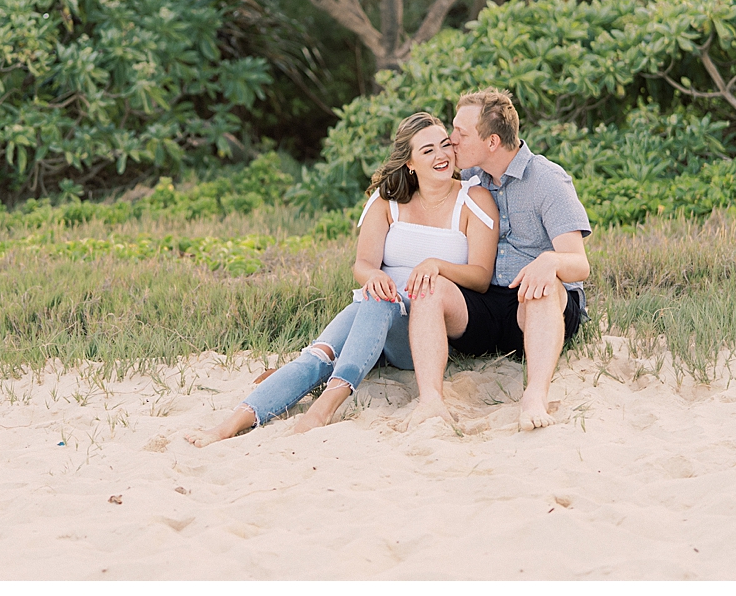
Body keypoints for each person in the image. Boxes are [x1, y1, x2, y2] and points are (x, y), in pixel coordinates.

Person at [186, 112, 497, 446]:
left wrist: (437, 265)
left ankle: (322, 409)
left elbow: (480, 278)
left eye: (445, 145)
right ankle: (226, 427)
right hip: (376, 307)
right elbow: (363, 264)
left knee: (380, 303)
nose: (441, 155)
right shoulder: (386, 201)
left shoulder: (473, 199)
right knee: (317, 356)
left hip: (417, 329)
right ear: (409, 163)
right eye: (427, 150)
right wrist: (375, 276)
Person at [405, 88, 591, 433]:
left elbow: (580, 265)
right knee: (432, 287)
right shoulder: (470, 179)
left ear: (492, 142)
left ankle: (535, 395)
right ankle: (431, 400)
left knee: (542, 286)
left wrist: (549, 261)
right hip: (486, 305)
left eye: (460, 133)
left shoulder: (548, 180)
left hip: (536, 308)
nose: (451, 138)